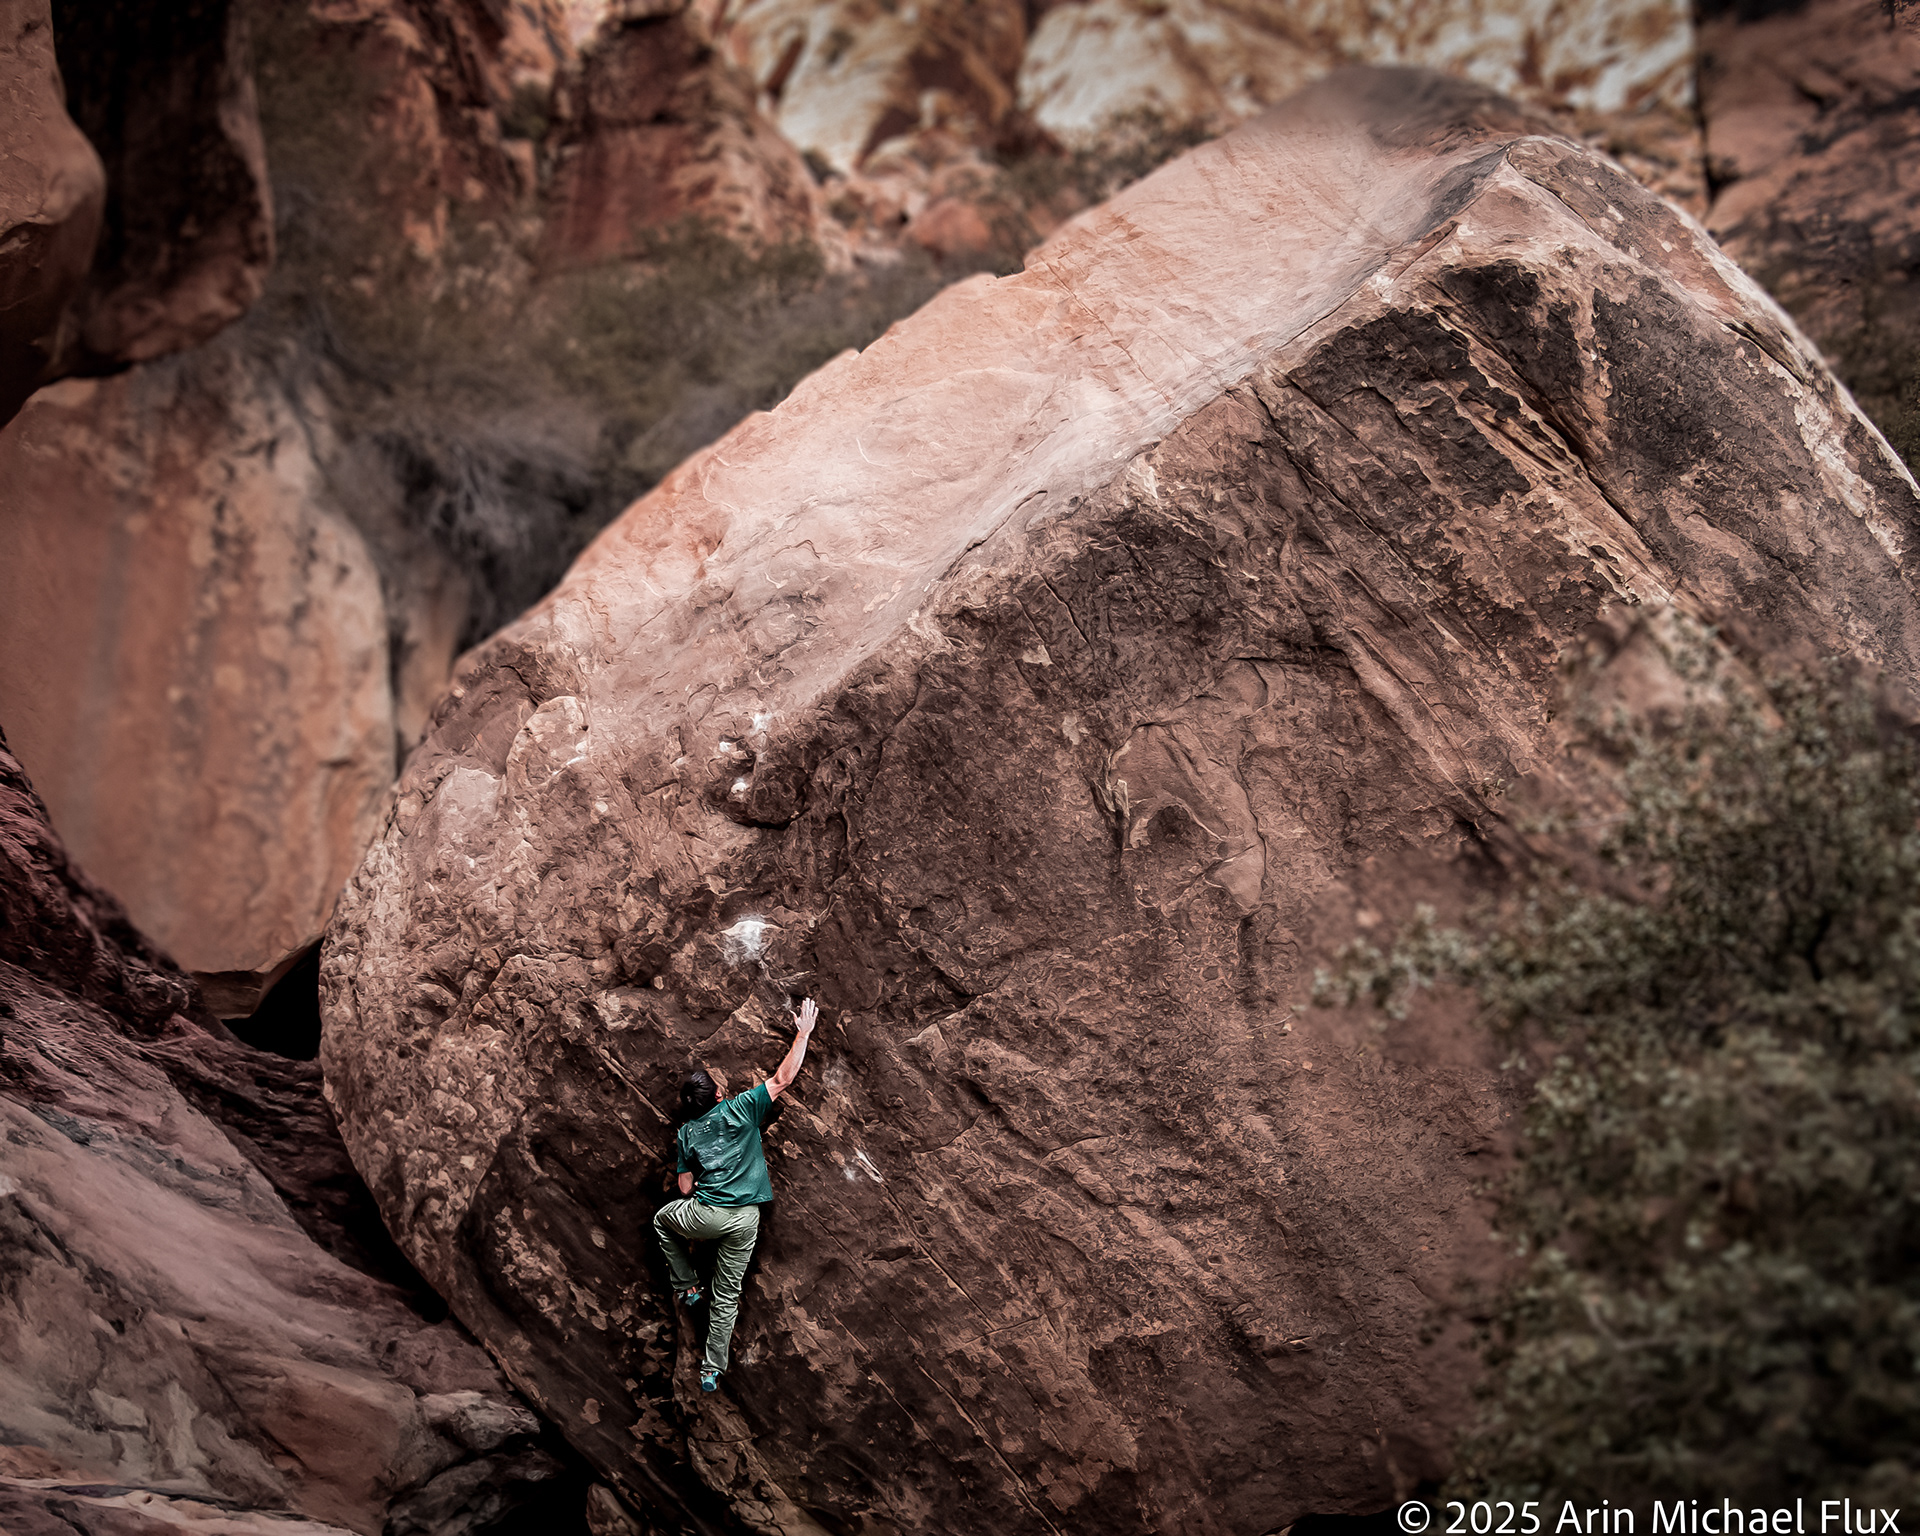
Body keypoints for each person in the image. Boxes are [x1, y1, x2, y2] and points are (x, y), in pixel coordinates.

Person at [654, 996, 818, 1393]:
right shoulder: (740, 1109)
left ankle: (688, 1287)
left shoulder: (687, 1133)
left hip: (708, 1216)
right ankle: (711, 1369)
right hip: (747, 1219)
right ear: (716, 1096)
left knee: (663, 1220)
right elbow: (782, 1079)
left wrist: (694, 1175)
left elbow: (686, 1188)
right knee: (727, 1294)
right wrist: (804, 1032)